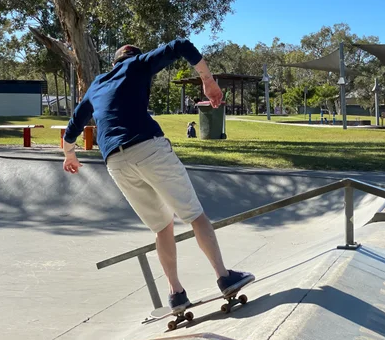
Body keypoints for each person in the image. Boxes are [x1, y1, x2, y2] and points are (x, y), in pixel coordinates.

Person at [61, 40, 254, 313]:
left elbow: (74, 124)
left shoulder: (97, 84)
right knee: (193, 214)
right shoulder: (138, 65)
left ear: (113, 62)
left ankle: (176, 294)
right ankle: (225, 277)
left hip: (115, 161)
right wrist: (208, 82)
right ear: (132, 58)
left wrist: (69, 153)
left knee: (162, 227)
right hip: (148, 147)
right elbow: (181, 45)